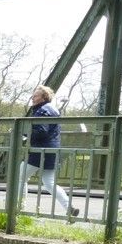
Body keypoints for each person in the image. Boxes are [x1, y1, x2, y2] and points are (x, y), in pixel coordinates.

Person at [20, 85, 77, 219]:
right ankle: (69, 207)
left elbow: (41, 131)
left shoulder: (43, 110)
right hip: (52, 150)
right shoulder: (52, 109)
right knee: (49, 182)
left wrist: (24, 135)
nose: (33, 98)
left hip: (41, 150)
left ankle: (18, 208)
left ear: (44, 97)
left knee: (20, 177)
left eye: (36, 96)